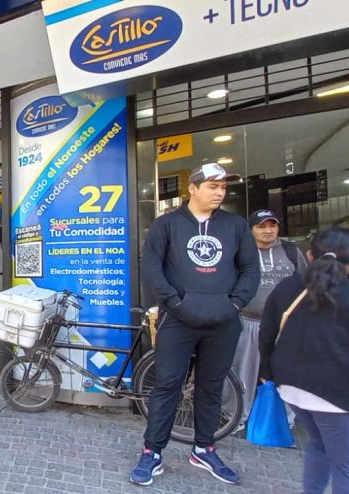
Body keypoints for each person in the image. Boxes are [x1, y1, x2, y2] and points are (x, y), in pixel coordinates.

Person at [131, 163, 259, 486]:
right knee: (167, 385)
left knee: (211, 386)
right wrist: (174, 302)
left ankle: (204, 448)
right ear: (193, 188)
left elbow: (250, 270)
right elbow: (152, 269)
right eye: (213, 186)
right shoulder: (166, 225)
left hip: (223, 322)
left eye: (223, 187)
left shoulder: (235, 226)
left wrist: (234, 304)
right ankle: (152, 453)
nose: (220, 192)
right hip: (178, 320)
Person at [259, 227, 349, 494]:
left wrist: (268, 372)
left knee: (318, 444)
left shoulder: (287, 287)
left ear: (310, 255)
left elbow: (267, 335)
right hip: (341, 395)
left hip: (292, 387)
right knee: (348, 467)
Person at [231, 209, 306, 425]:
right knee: (242, 372)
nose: (268, 230)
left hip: (284, 326)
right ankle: (237, 416)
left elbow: (306, 283)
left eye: (272, 225)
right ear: (251, 229)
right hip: (247, 322)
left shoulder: (291, 251)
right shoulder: (240, 253)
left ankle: (285, 419)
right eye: (261, 226)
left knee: (286, 373)